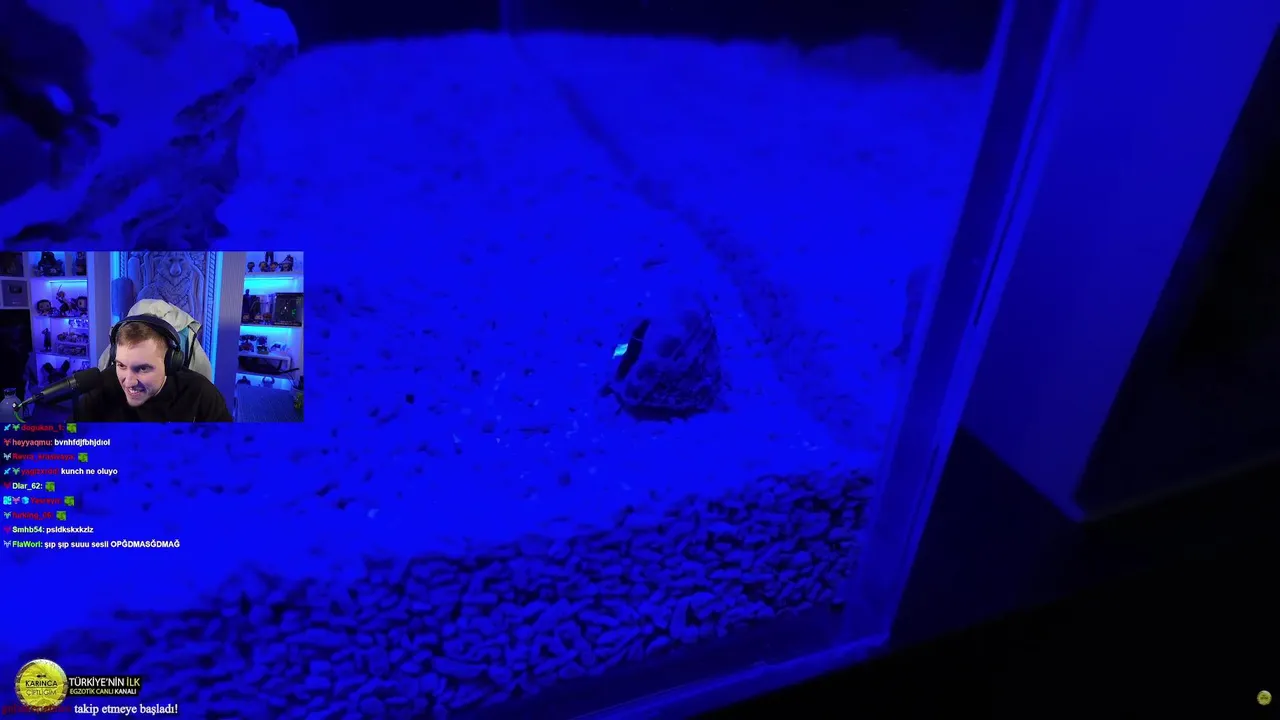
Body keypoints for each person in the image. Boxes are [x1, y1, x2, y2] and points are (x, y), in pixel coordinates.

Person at [74, 315, 233, 422]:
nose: (128, 382)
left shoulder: (201, 394)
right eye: (121, 365)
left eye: (142, 368)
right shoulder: (100, 389)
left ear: (170, 363)